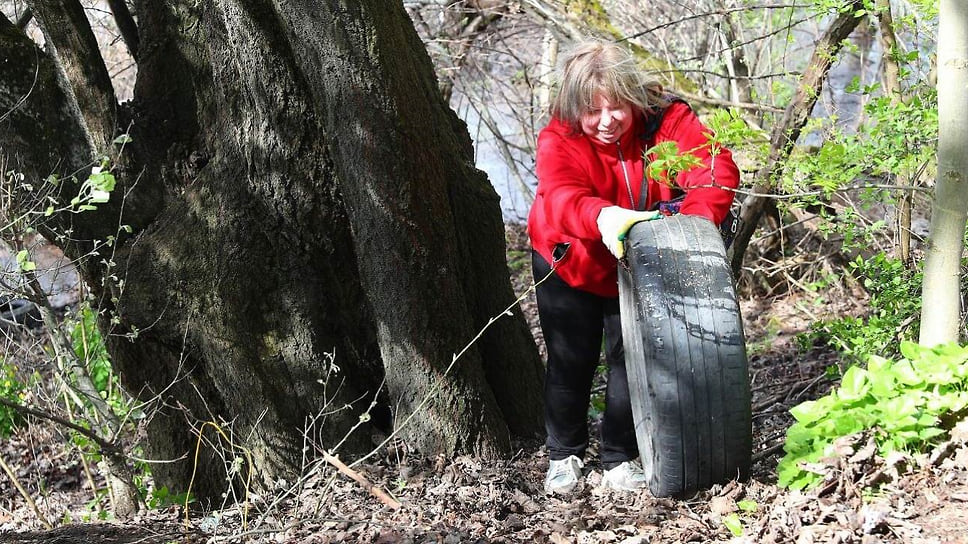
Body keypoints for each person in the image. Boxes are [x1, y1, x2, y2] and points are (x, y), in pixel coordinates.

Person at [528, 40, 740, 494]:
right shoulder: (559, 137)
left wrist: (689, 228)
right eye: (592, 110)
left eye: (616, 107)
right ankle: (563, 456)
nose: (606, 121)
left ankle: (618, 458)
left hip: (640, 264)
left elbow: (715, 171)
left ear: (633, 96)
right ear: (573, 107)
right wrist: (602, 216)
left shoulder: (668, 120)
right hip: (571, 261)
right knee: (572, 361)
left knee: (631, 361)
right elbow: (561, 198)